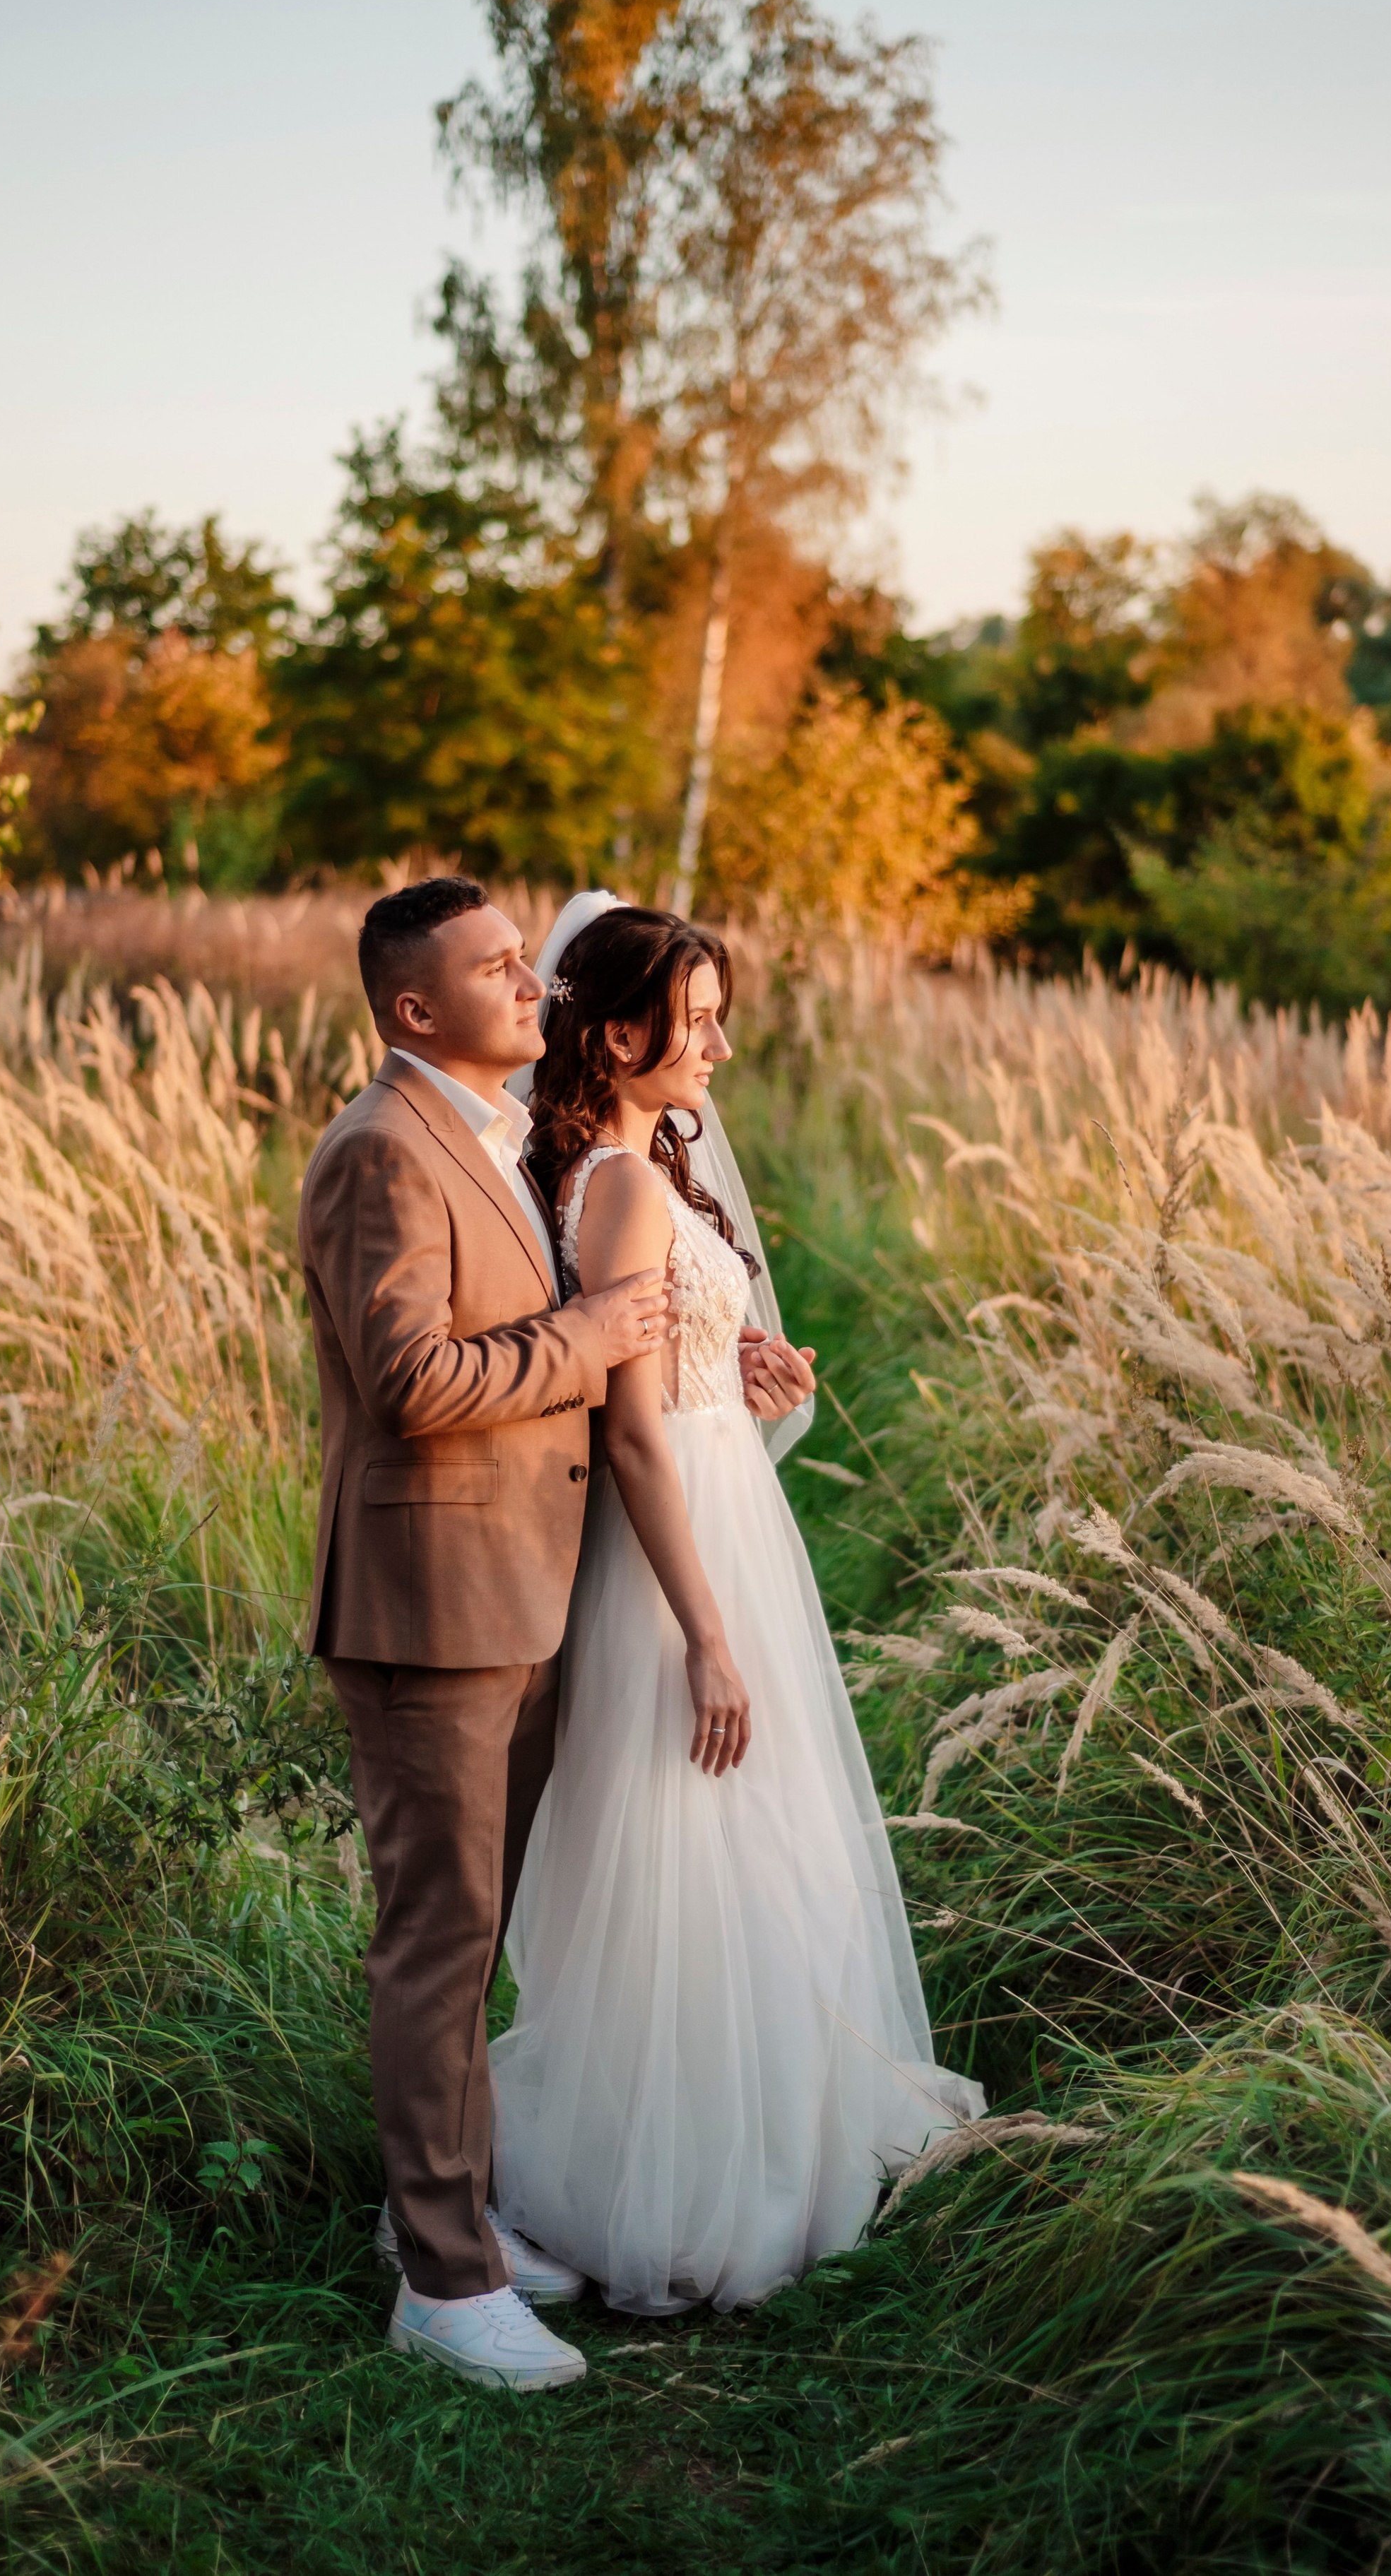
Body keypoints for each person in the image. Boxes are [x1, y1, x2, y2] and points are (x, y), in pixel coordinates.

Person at [298, 878, 817, 2394]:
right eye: (494, 967)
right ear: (413, 1009)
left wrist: (705, 1352)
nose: (532, 983)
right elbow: (408, 1379)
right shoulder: (378, 1150)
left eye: (526, 960)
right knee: (439, 1942)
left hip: (522, 1585)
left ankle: (452, 2215)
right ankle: (444, 2285)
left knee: (477, 1939)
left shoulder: (498, 1142)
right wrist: (594, 1343)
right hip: (430, 1604)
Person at [490, 902, 983, 2318]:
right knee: (695, 1829)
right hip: (673, 1558)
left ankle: (749, 2122)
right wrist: (703, 1634)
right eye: (694, 1015)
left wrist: (748, 1375)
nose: (719, 1041)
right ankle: (692, 2166)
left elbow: (681, 1390)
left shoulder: (635, 1170)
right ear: (622, 1030)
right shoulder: (623, 1186)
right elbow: (634, 1434)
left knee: (742, 1832)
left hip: (716, 1520)